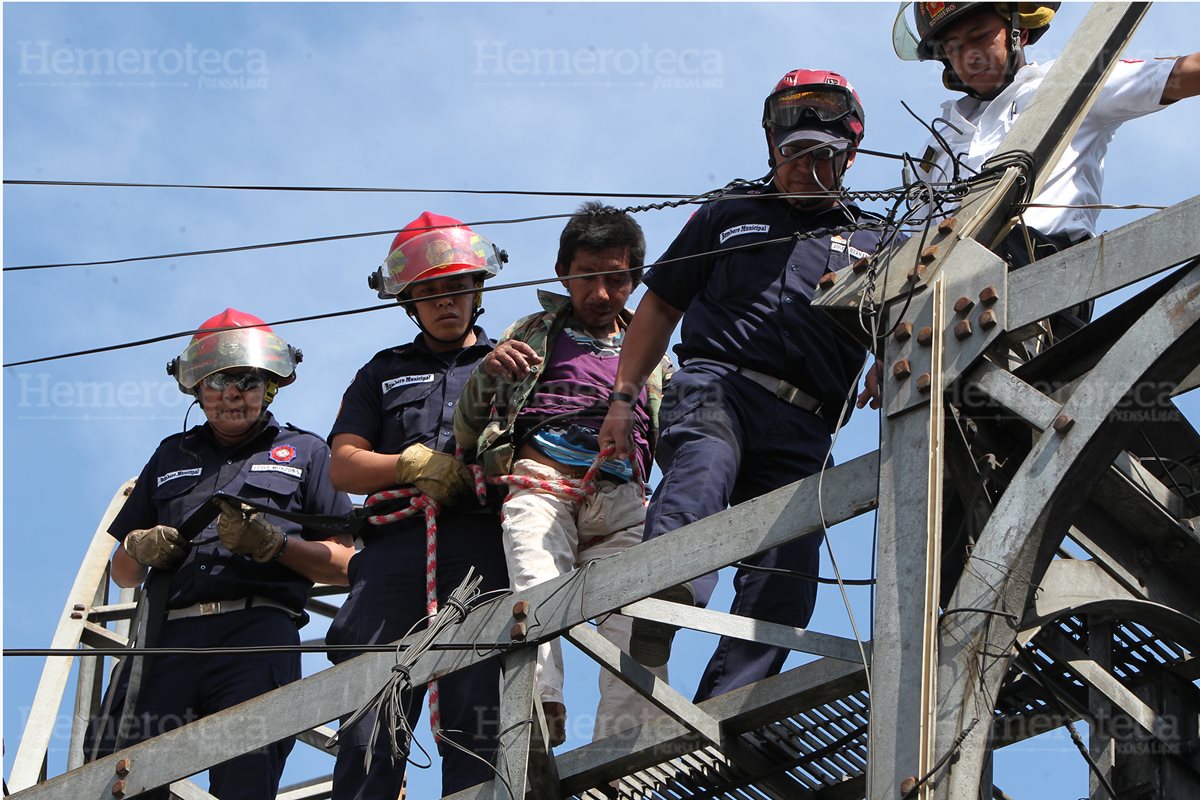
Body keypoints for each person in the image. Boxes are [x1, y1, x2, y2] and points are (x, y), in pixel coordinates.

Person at [598, 70, 894, 701]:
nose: (801, 168)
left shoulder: (877, 241)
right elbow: (659, 307)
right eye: (791, 153)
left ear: (849, 157)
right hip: (717, 384)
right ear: (770, 147)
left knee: (787, 572)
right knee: (702, 470)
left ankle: (727, 703)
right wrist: (623, 399)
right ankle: (662, 601)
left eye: (819, 155)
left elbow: (911, 315)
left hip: (806, 423)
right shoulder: (729, 213)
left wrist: (890, 351)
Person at [855, 2, 1200, 406]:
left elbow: (1180, 75)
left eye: (981, 36)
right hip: (950, 311)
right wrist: (890, 345)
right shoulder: (939, 143)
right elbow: (913, 257)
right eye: (953, 48)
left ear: (1016, 30)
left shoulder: (1066, 81)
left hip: (1046, 281)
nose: (970, 56)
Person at [87, 308, 355, 799]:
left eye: (247, 382)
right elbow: (123, 574)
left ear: (269, 387)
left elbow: (347, 566)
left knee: (245, 780)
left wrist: (277, 546)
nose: (232, 396)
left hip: (257, 637)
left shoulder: (308, 452)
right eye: (217, 383)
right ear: (196, 390)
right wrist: (138, 545)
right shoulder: (171, 455)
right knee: (116, 774)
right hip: (167, 639)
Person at [453, 202, 674, 744]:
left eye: (616, 280)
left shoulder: (652, 353)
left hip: (622, 499)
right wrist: (486, 374)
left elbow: (677, 438)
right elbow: (464, 433)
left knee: (638, 614)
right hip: (541, 486)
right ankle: (540, 704)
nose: (600, 294)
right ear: (563, 274)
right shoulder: (531, 333)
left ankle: (626, 742)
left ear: (635, 280)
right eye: (586, 278)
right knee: (535, 585)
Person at [325, 212, 509, 799]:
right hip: (394, 555)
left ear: (478, 289)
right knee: (368, 710)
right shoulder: (382, 372)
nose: (444, 302)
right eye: (429, 292)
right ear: (410, 302)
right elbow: (345, 464)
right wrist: (409, 464)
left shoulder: (512, 361)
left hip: (481, 543)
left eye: (456, 287)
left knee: (476, 710)